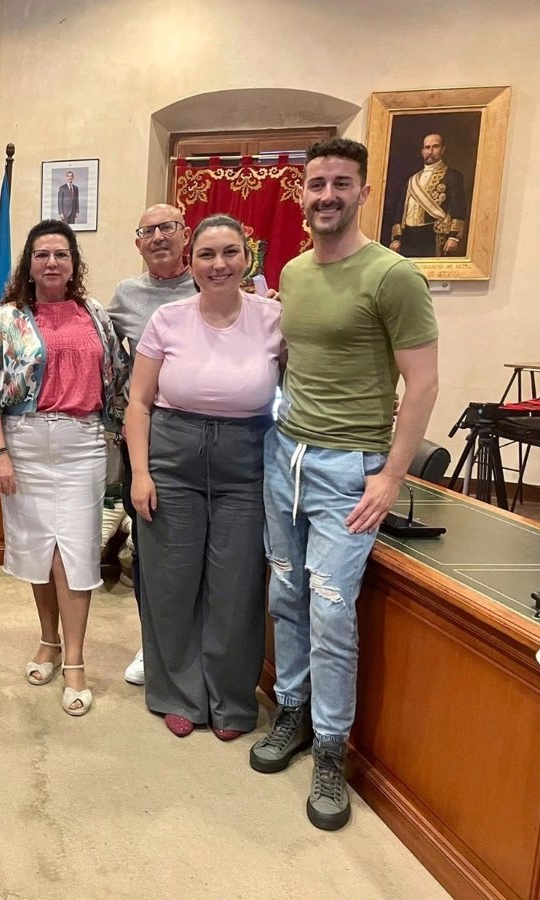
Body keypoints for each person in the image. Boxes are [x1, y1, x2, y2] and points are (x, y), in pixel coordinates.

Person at [251, 137, 439, 831]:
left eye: (340, 183)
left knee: (331, 611)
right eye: (316, 183)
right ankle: (293, 712)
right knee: (286, 595)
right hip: (286, 458)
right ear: (302, 194)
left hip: (349, 470)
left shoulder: (393, 276)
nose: (326, 195)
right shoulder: (294, 271)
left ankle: (332, 747)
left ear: (363, 192)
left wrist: (390, 475)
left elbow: (423, 384)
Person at [124, 214, 283, 740]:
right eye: (207, 254)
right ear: (190, 260)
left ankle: (231, 701)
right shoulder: (167, 319)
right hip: (173, 460)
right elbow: (139, 402)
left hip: (246, 463)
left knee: (236, 586)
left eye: (230, 252)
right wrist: (140, 473)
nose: (219, 264)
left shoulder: (274, 319)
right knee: (170, 582)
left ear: (247, 258)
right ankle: (178, 694)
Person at [0, 219, 127, 716]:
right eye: (42, 255)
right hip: (25, 443)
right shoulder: (8, 317)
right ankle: (48, 641)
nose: (52, 262)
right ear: (29, 265)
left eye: (61, 254)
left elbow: (120, 382)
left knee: (74, 553)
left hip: (82, 444)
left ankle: (75, 660)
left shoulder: (95, 314)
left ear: (74, 263)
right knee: (40, 550)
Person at [107, 204, 195, 686]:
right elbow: (105, 355)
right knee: (150, 546)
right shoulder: (126, 294)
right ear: (138, 243)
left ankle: (199, 646)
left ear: (186, 235)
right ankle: (153, 644)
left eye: (168, 228)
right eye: (149, 231)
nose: (159, 237)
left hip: (205, 435)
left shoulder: (210, 283)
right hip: (144, 438)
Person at [389, 133, 468, 258]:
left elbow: (458, 207)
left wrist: (454, 237)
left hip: (433, 235)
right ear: (422, 151)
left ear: (443, 150)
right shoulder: (412, 179)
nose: (430, 151)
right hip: (408, 237)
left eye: (435, 147)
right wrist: (397, 238)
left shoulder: (452, 176)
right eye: (427, 147)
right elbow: (401, 209)